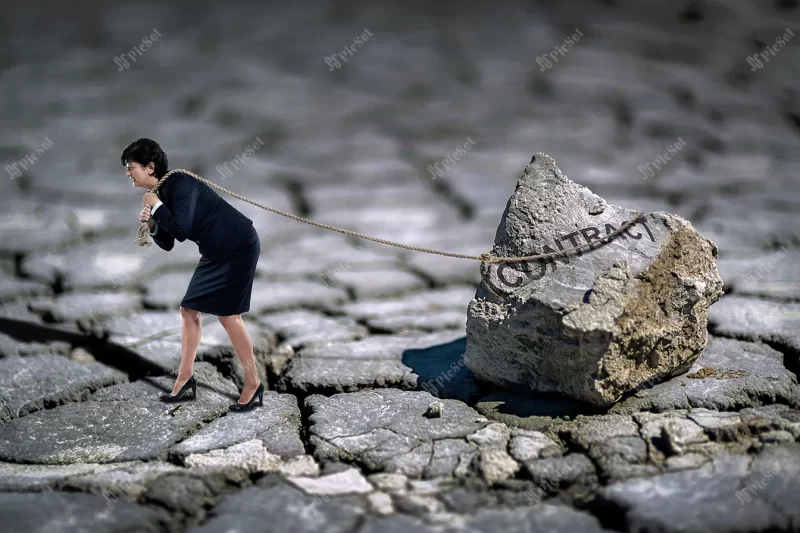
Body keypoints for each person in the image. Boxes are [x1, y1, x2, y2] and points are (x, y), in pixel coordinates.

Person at [122, 138, 264, 412]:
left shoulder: (181, 184)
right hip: (214, 251)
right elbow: (168, 242)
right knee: (189, 309)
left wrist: (156, 206)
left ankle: (253, 383)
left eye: (131, 167)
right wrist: (153, 220)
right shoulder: (162, 192)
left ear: (150, 167)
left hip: (238, 245)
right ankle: (185, 378)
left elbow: (182, 230)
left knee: (229, 316)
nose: (127, 173)